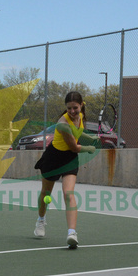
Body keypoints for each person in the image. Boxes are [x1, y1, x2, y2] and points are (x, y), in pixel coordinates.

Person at [34, 91, 99, 248]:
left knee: (68, 194)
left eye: (75, 108)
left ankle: (72, 233)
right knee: (45, 194)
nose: (72, 111)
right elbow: (74, 146)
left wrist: (91, 138)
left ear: (81, 105)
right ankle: (41, 220)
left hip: (69, 159)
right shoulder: (63, 123)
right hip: (54, 158)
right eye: (69, 108)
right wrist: (90, 147)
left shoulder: (81, 116)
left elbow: (78, 133)